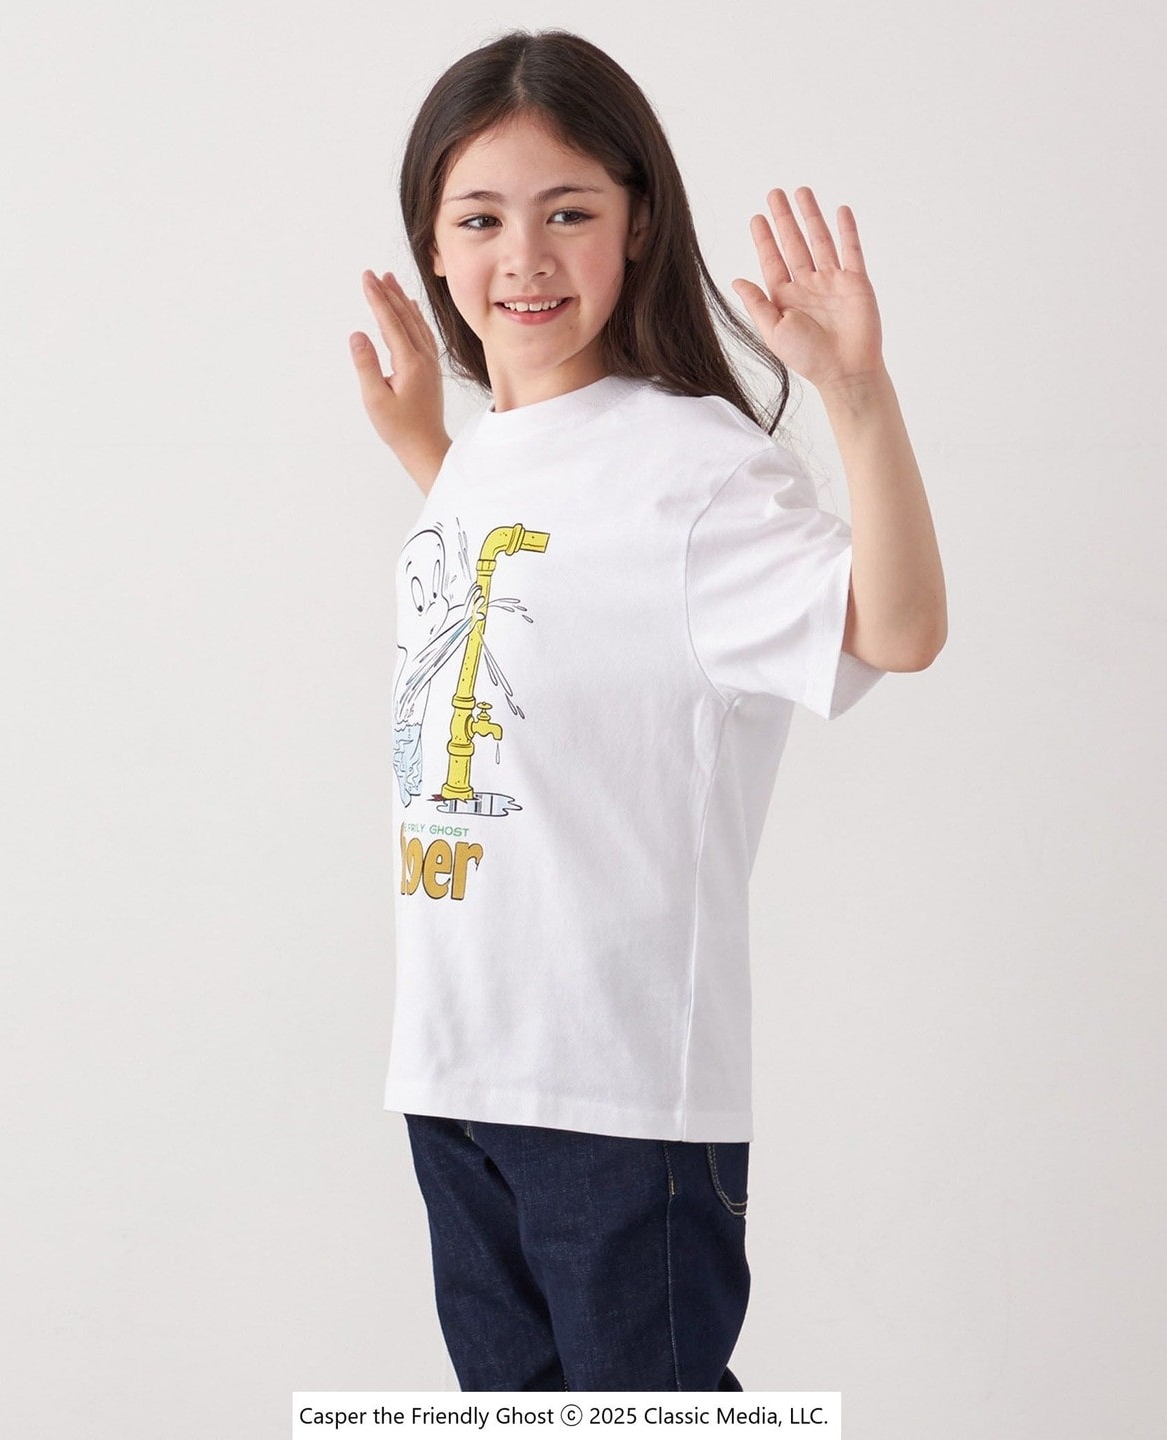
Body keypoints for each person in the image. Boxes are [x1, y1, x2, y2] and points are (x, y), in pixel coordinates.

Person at [348, 29, 946, 1393]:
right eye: (481, 219)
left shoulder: (698, 471)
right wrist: (424, 450)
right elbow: (552, 585)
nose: (525, 258)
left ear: (639, 225)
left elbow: (900, 631)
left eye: (569, 213)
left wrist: (857, 394)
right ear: (432, 245)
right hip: (455, 1069)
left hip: (615, 1096)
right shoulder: (488, 458)